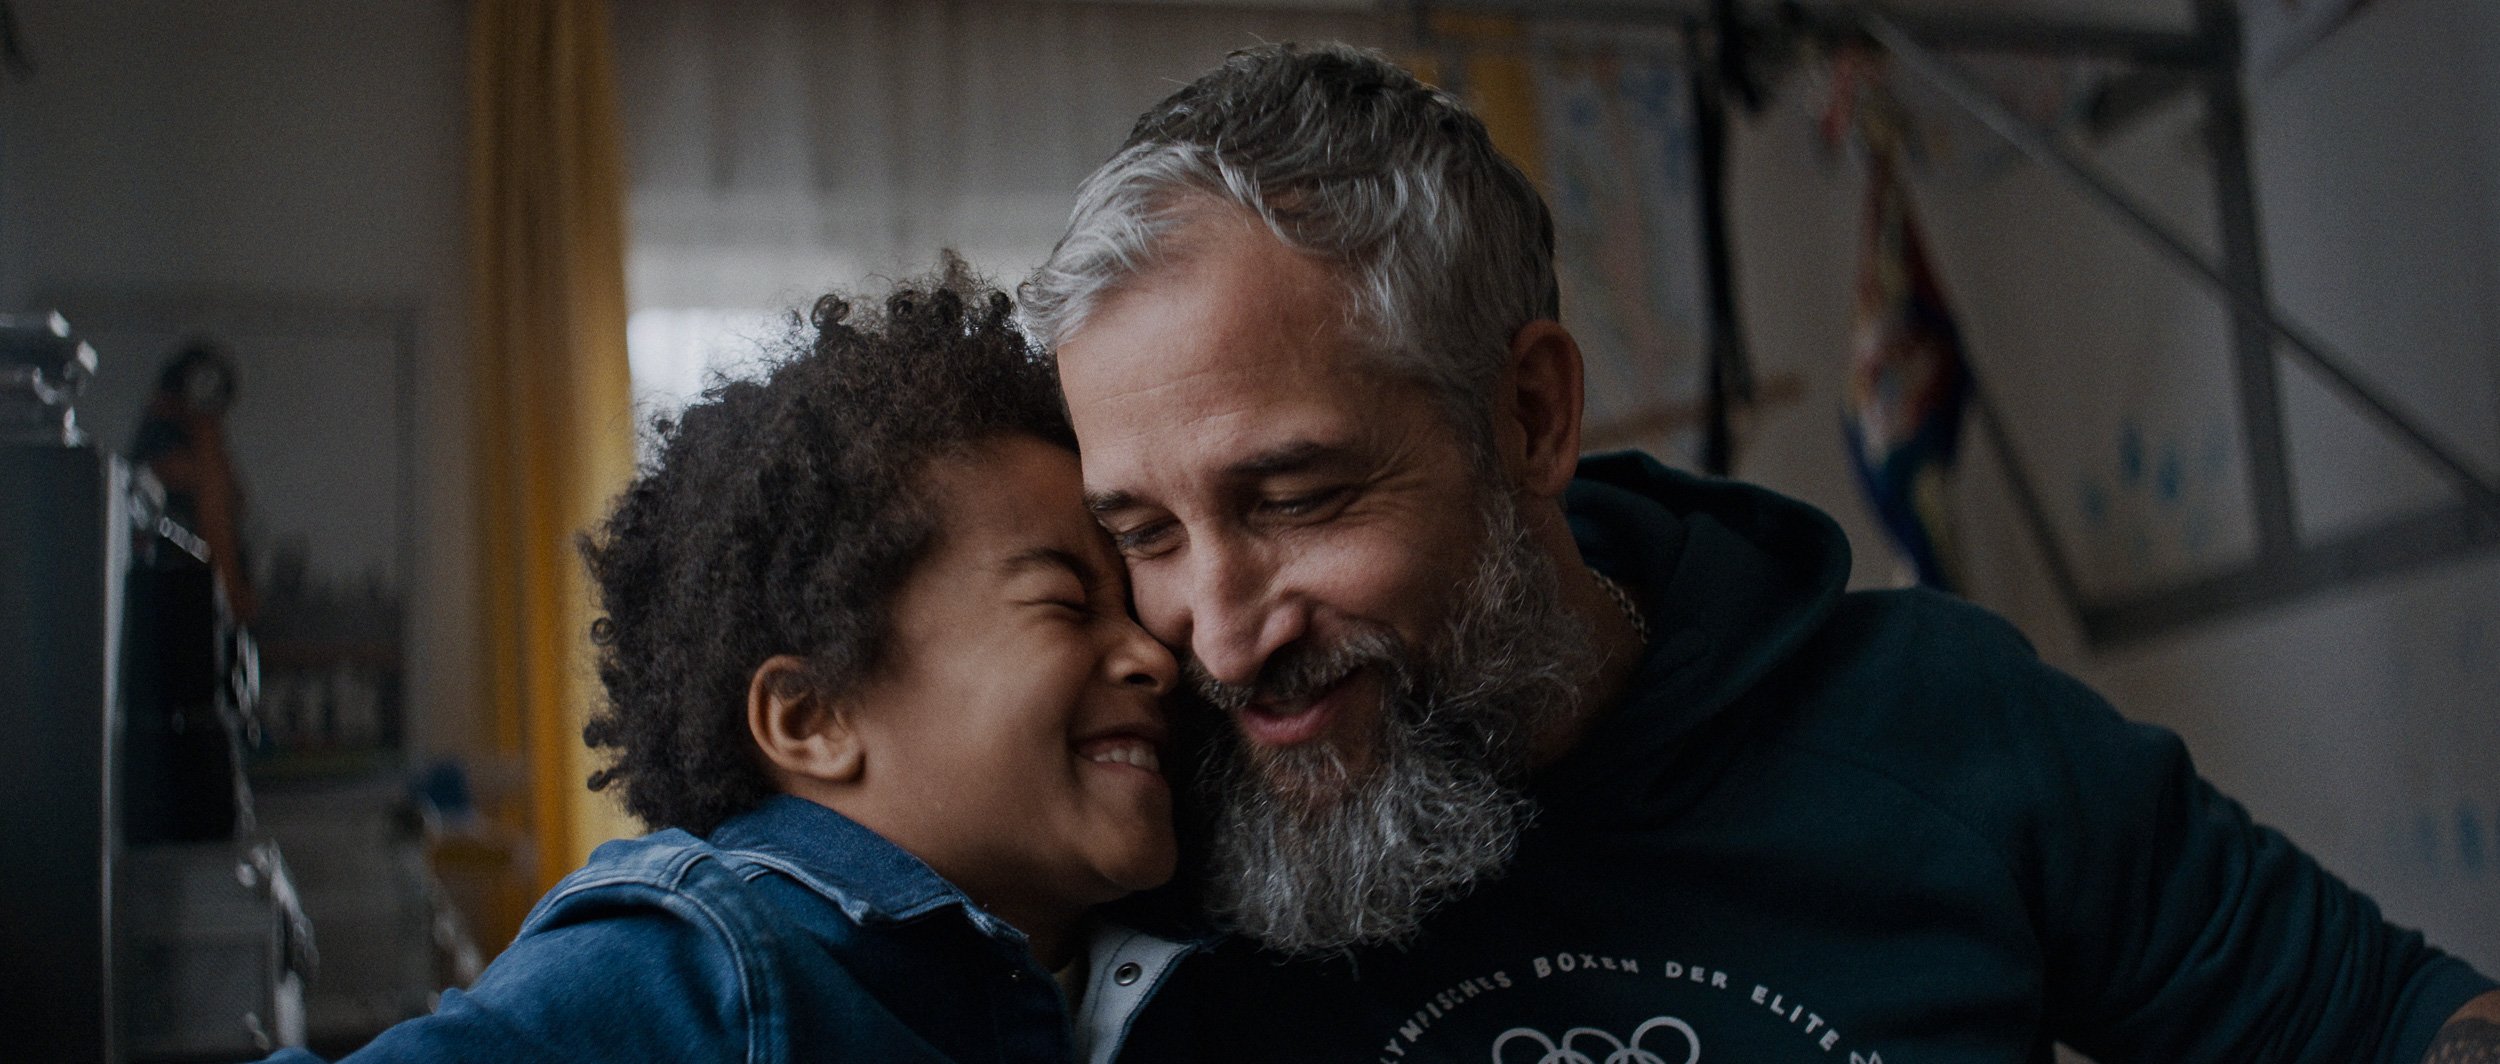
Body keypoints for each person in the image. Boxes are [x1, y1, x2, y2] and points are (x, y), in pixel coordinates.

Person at [1020, 42, 2500, 1063]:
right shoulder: (1130, 818)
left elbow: (2387, 1020)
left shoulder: (1939, 725)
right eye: (1144, 531)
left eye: (1296, 499)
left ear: (1529, 416)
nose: (1220, 633)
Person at [264, 265, 1181, 1062]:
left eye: (1137, 611)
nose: (1154, 656)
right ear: (813, 717)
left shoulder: (1170, 955)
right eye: (1066, 603)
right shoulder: (702, 961)